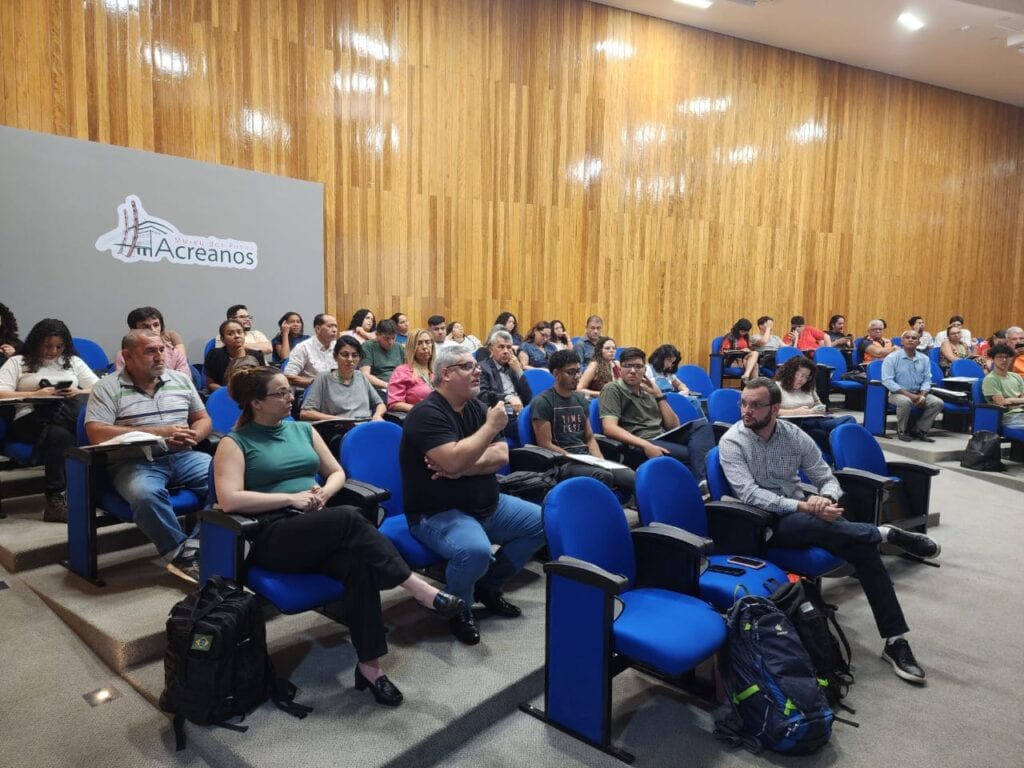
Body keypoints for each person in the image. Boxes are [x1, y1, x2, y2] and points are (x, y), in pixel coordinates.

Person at [217, 366, 465, 706]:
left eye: (291, 390)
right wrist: (290, 498)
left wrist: (322, 493)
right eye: (282, 393)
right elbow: (229, 499)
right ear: (256, 403)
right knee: (350, 516)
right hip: (271, 534)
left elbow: (336, 473)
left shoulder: (303, 430)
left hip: (315, 524)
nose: (292, 397)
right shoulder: (235, 443)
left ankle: (370, 668)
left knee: (358, 566)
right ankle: (419, 589)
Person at [719, 377, 941, 684]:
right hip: (763, 522)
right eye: (744, 403)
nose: (747, 410)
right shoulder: (733, 441)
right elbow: (749, 494)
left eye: (756, 405)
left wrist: (827, 498)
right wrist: (806, 506)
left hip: (807, 513)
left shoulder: (793, 434)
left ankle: (896, 640)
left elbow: (825, 475)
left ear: (775, 409)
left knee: (862, 551)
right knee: (812, 520)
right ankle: (883, 534)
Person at [400, 347, 545, 645]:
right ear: (446, 374)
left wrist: (462, 468)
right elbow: (454, 459)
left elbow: (501, 456)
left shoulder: (477, 407)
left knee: (544, 522)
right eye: (467, 366)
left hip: (488, 504)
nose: (477, 370)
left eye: (475, 365)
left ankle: (488, 585)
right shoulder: (425, 415)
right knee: (476, 551)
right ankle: (458, 607)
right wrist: (489, 429)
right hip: (438, 512)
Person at [84, 330, 211, 580]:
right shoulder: (107, 387)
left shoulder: (181, 380)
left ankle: (196, 544)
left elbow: (203, 419)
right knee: (145, 494)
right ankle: (179, 554)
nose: (159, 356)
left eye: (162, 349)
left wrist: (195, 436)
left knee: (228, 479)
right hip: (133, 462)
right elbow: (96, 433)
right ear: (127, 357)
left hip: (183, 455)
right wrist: (158, 432)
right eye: (150, 351)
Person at [0, 319, 99, 521]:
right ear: (36, 342)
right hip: (29, 416)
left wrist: (78, 390)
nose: (53, 351)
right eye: (47, 345)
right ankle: (55, 501)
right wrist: (35, 394)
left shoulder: (72, 361)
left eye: (59, 347)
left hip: (64, 413)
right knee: (70, 431)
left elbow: (99, 387)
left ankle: (62, 498)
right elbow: (1, 393)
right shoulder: (18, 362)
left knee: (62, 433)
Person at [599, 347, 715, 486]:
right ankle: (703, 484)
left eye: (638, 366)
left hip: (662, 437)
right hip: (640, 442)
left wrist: (659, 396)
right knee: (695, 455)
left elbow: (673, 426)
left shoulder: (649, 391)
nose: (633, 371)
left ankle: (702, 483)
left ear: (644, 369)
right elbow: (609, 428)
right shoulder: (613, 389)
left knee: (702, 425)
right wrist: (646, 445)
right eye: (628, 366)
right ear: (620, 369)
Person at [532, 350, 635, 492]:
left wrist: (600, 460)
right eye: (571, 372)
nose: (577, 376)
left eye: (578, 371)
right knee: (602, 476)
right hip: (563, 463)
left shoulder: (580, 399)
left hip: (587, 459)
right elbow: (545, 444)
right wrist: (573, 457)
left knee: (630, 476)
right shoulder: (542, 402)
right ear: (556, 374)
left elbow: (589, 438)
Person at [774, 356, 856, 455]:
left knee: (849, 420)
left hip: (816, 419)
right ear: (790, 372)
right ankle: (843, 455)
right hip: (794, 423)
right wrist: (796, 411)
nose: (802, 380)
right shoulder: (777, 387)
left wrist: (819, 409)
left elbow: (819, 404)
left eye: (806, 377)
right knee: (823, 434)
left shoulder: (808, 387)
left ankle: (842, 453)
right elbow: (771, 412)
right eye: (799, 375)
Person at [300, 336, 385, 422]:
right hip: (339, 429)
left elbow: (380, 404)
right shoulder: (323, 378)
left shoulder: (361, 377)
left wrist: (377, 415)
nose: (350, 359)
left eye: (355, 355)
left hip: (365, 427)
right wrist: (339, 419)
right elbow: (306, 413)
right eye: (345, 355)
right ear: (335, 356)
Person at [881, 329, 943, 442]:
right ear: (902, 341)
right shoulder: (892, 358)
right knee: (905, 401)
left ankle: (919, 430)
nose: (910, 339)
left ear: (918, 342)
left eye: (914, 338)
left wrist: (923, 395)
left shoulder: (924, 359)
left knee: (937, 402)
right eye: (907, 337)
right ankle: (902, 431)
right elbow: (887, 381)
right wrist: (909, 395)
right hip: (897, 393)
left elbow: (927, 379)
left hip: (918, 393)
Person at [478, 330, 532, 438]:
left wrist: (519, 371)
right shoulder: (483, 368)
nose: (506, 351)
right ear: (491, 349)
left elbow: (528, 397)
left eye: (509, 347)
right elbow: (482, 396)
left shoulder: (513, 367)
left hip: (520, 409)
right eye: (501, 347)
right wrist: (507, 398)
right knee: (531, 426)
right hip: (500, 410)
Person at [114, 307, 190, 374]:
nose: (153, 330)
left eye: (156, 325)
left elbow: (185, 381)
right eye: (145, 326)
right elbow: (121, 383)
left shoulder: (174, 352)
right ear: (134, 330)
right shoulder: (126, 355)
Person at [204, 320, 266, 392]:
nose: (237, 336)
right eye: (230, 334)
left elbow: (262, 382)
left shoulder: (256, 355)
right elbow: (211, 384)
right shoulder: (215, 355)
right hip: (224, 394)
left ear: (244, 335)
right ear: (222, 339)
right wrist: (232, 393)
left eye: (239, 332)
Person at [387, 329, 435, 413]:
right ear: (412, 348)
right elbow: (394, 403)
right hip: (418, 417)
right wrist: (420, 410)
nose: (424, 347)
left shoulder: (439, 370)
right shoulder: (401, 371)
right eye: (419, 343)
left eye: (427, 342)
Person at [284, 314, 339, 388]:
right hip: (313, 392)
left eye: (336, 326)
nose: (334, 330)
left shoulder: (339, 346)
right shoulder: (303, 347)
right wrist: (318, 382)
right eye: (330, 326)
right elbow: (288, 376)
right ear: (318, 329)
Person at [359, 319, 404, 397]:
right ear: (377, 335)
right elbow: (365, 375)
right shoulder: (367, 346)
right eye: (387, 338)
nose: (391, 342)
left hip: (400, 387)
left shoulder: (399, 347)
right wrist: (388, 386)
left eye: (393, 338)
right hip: (379, 390)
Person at [982, 344, 1024, 427]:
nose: (1004, 360)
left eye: (1007, 357)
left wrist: (1011, 400)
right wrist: (1016, 400)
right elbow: (1002, 402)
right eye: (999, 357)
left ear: (1011, 359)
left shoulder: (1016, 376)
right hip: (1007, 417)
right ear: (992, 359)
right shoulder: (990, 379)